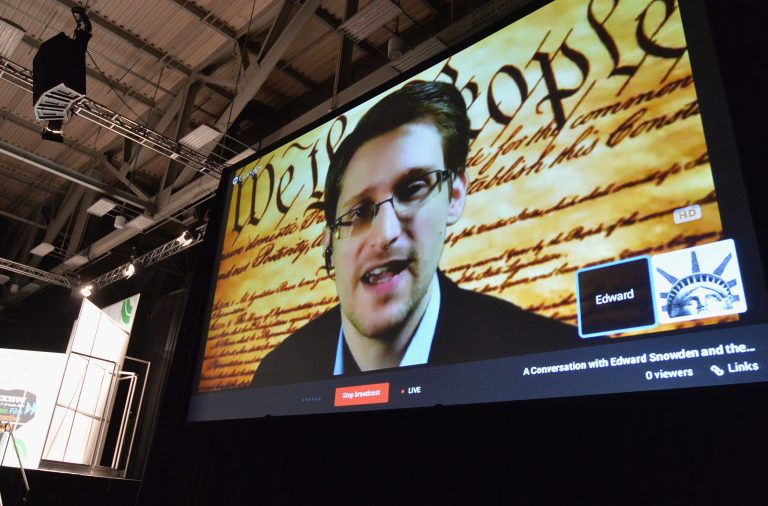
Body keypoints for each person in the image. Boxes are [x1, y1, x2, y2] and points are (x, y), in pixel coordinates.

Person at [251, 81, 577, 387]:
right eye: (359, 213)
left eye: (412, 190)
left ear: (454, 195)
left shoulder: (554, 353)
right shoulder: (275, 375)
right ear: (329, 247)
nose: (386, 234)